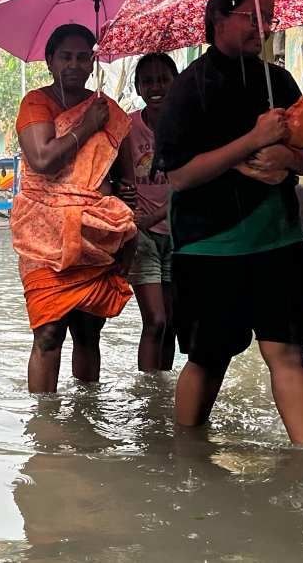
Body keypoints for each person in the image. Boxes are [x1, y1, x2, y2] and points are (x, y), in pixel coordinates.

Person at [153, 0, 303, 444]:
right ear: (217, 18)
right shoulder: (187, 90)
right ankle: (185, 459)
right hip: (210, 247)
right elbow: (180, 176)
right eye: (254, 17)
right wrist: (250, 143)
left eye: (269, 17)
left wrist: (288, 159)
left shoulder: (278, 81)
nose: (264, 27)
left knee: (290, 353)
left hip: (279, 241)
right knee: (208, 359)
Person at [11, 24, 137, 393]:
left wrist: (127, 234)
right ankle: (44, 426)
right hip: (43, 236)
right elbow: (43, 159)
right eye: (65, 56)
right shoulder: (36, 103)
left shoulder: (108, 111)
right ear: (50, 61)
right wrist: (86, 126)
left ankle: (87, 420)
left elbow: (126, 182)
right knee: (48, 334)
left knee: (88, 333)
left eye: (83, 57)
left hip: (96, 234)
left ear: (92, 62)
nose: (74, 65)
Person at [126, 53, 180, 373]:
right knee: (156, 321)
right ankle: (148, 396)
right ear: (138, 87)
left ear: (175, 82)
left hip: (178, 231)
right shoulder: (126, 127)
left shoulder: (187, 125)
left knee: (172, 323)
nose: (156, 86)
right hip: (141, 234)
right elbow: (116, 173)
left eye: (163, 79)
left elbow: (191, 184)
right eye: (148, 81)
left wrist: (157, 216)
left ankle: (162, 398)